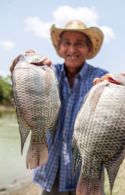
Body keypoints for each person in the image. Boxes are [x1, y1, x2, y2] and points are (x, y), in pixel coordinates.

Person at [11, 20, 108, 195]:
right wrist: (22, 68)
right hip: (50, 170)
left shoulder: (100, 78)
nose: (72, 49)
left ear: (88, 49)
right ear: (60, 47)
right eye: (67, 43)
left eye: (79, 44)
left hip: (84, 174)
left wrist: (116, 88)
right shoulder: (46, 72)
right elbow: (25, 96)